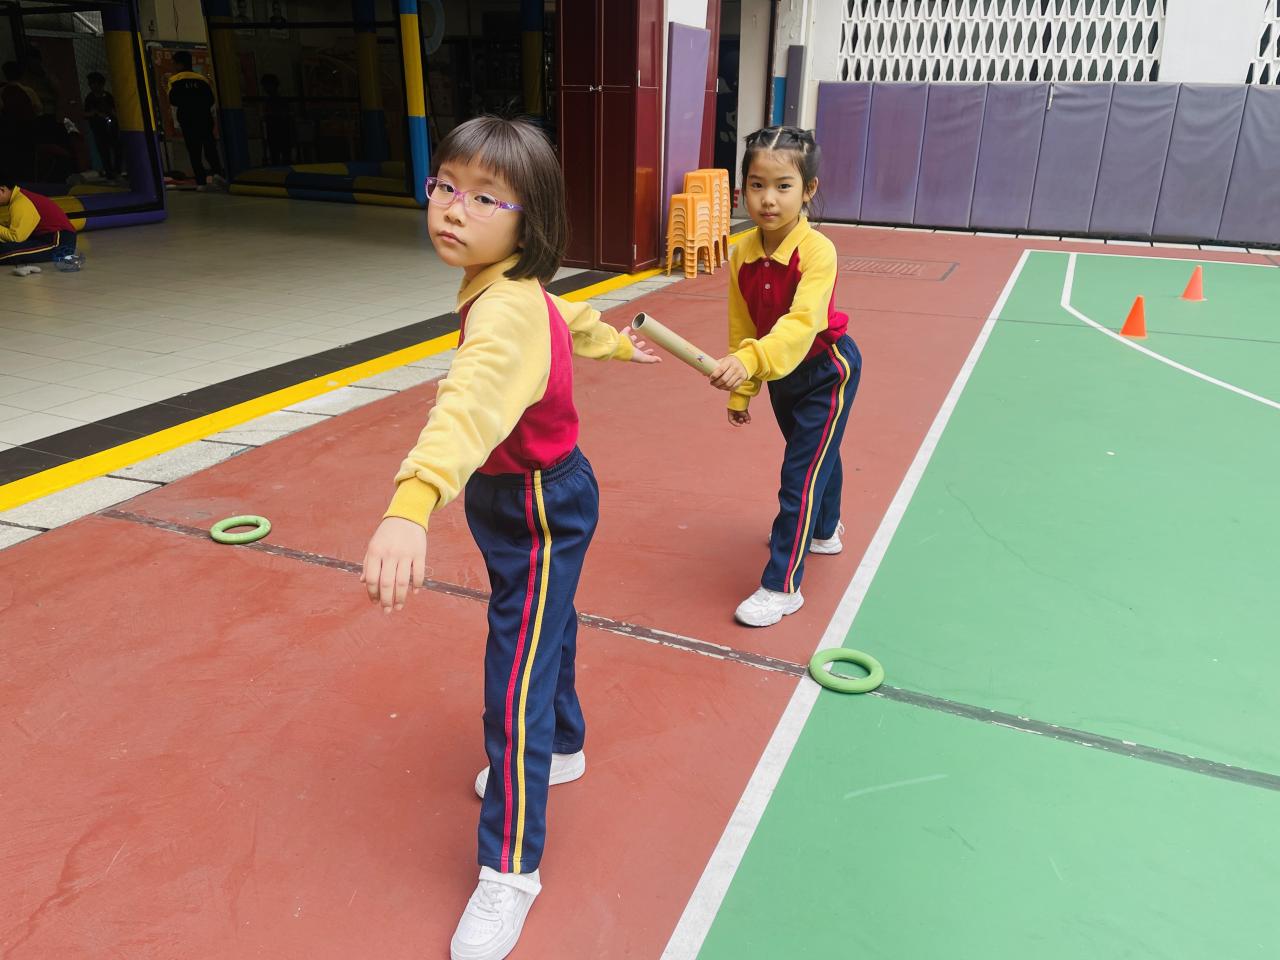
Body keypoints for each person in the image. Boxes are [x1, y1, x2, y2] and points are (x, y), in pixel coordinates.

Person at [359, 116, 659, 960]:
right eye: (447, 186)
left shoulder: (503, 315)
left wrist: (410, 502)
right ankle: (563, 742)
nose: (454, 208)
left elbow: (468, 403)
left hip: (538, 507)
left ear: (532, 222)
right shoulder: (506, 288)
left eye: (486, 198)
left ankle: (510, 869)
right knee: (543, 627)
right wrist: (613, 342)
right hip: (516, 497)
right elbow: (566, 314)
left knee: (515, 677)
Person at [707, 125, 863, 627]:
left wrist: (750, 362)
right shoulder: (741, 251)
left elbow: (801, 324)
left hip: (825, 371)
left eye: (783, 186)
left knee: (799, 476)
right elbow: (743, 324)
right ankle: (825, 531)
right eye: (756, 185)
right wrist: (742, 391)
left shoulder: (817, 251)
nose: (768, 199)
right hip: (781, 377)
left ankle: (781, 586)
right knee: (814, 455)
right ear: (742, 189)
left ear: (808, 189)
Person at [166, 51, 225, 188]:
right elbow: (211, 99)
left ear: (179, 64)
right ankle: (218, 174)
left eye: (174, 64)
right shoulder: (202, 79)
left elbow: (173, 100)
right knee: (210, 147)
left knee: (194, 151)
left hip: (187, 119)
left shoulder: (174, 80)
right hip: (204, 117)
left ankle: (201, 182)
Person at [0, 176, 79, 273]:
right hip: (41, 237)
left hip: (58, 241)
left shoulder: (21, 202)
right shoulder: (19, 197)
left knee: (6, 250)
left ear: (2, 190)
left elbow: (16, 237)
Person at [83, 71, 120, 179]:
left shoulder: (107, 96)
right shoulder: (90, 98)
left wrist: (112, 115)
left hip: (111, 126)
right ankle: (109, 172)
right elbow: (86, 113)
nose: (91, 86)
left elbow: (113, 110)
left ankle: (117, 170)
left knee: (117, 147)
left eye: (93, 83)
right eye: (90, 84)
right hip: (98, 128)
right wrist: (95, 113)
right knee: (103, 151)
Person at [260, 73, 292, 166]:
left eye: (266, 85)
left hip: (278, 132)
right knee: (281, 157)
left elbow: (284, 115)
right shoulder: (277, 100)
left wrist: (269, 115)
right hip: (279, 133)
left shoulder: (274, 101)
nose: (265, 88)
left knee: (278, 157)